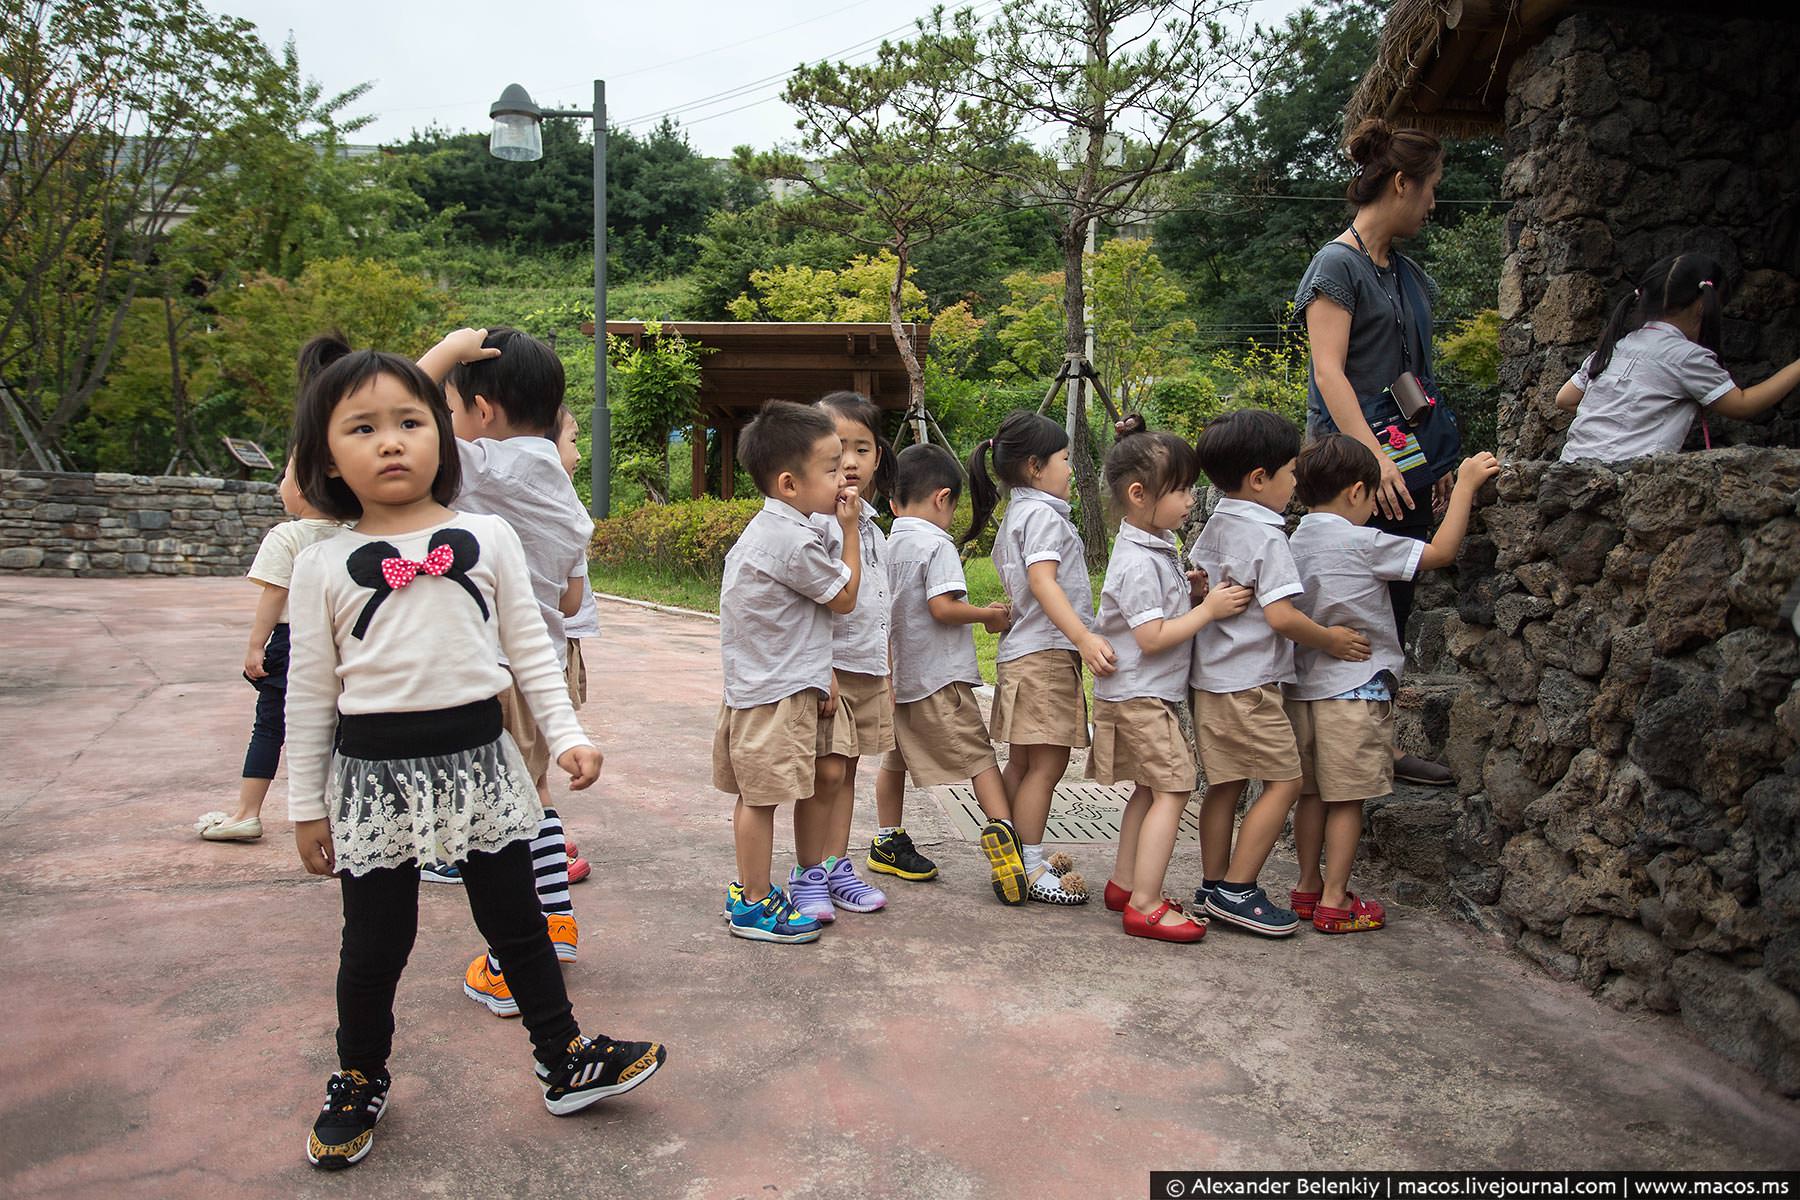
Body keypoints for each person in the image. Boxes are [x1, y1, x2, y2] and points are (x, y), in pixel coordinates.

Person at [282, 343, 664, 1169]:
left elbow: (531, 652)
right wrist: (304, 806)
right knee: (375, 941)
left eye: (411, 421)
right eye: (363, 427)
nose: (391, 441)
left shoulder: (485, 535)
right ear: (326, 458)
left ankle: (562, 1057)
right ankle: (358, 1075)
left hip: (481, 761)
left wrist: (568, 736)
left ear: (445, 439)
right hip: (371, 776)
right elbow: (309, 695)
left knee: (519, 922)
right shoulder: (318, 566)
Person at [415, 328, 592, 1002]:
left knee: (495, 825)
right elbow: (573, 594)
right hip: (542, 668)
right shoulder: (553, 480)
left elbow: (395, 404)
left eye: (455, 411)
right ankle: (555, 926)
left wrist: (448, 348)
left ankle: (515, 959)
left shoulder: (491, 467)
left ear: (482, 414)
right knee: (531, 803)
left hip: (492, 673)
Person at [1296, 117, 1457, 787]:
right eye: (1430, 189)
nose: (1433, 203)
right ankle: (1335, 746)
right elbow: (1330, 372)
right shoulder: (1338, 264)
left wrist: (1436, 466)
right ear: (1400, 183)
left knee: (1394, 605)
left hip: (1407, 459)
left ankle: (1377, 742)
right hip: (1354, 467)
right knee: (1347, 605)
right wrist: (1376, 460)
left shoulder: (1405, 271)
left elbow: (1416, 377)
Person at [1285, 436, 1498, 933]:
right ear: (1358, 492)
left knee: (1311, 795)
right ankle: (1337, 901)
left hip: (1300, 691)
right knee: (1347, 799)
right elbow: (1442, 551)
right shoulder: (1365, 541)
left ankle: (1307, 887)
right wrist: (1464, 483)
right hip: (1356, 690)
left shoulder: (1293, 542)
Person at [1187, 409, 1369, 937]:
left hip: (1213, 680)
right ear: (1260, 479)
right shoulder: (1268, 535)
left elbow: (1200, 580)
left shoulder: (1218, 520)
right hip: (1251, 685)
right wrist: (1331, 639)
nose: (1295, 484)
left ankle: (1212, 883)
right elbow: (1281, 615)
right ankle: (1239, 889)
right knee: (1286, 781)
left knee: (1224, 785)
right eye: (1290, 472)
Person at [1089, 417, 1252, 942]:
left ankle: (1124, 883)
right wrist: (1210, 611)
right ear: (1139, 495)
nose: (1190, 499)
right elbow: (1154, 636)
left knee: (1149, 787)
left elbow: (1155, 614)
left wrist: (1190, 592)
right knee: (1176, 786)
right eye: (1180, 489)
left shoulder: (1154, 546)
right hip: (1142, 694)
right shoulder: (1137, 560)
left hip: (1143, 692)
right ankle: (1146, 903)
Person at [716, 400, 863, 944]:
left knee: (760, 795)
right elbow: (844, 598)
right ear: (788, 484)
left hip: (772, 682)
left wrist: (819, 670)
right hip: (771, 693)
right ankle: (754, 904)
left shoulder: (781, 526)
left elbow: (797, 621)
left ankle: (750, 890)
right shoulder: (791, 538)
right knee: (760, 798)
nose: (843, 474)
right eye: (830, 468)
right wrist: (850, 530)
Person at [964, 410, 1110, 906]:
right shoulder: (1044, 515)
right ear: (1034, 467)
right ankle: (1026, 860)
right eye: (1065, 459)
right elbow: (1044, 581)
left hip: (1021, 654)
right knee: (1047, 765)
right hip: (1046, 653)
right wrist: (1085, 639)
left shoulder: (1017, 515)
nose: (1072, 469)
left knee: (1024, 762)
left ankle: (1009, 845)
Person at [874, 443, 1023, 901]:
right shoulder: (935, 544)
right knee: (978, 756)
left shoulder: (885, 542)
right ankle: (1005, 833)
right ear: (943, 499)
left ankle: (887, 839)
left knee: (893, 759)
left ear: (894, 502)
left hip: (894, 678)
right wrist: (988, 616)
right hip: (937, 677)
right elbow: (943, 607)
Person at [196, 457, 345, 842]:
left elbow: (275, 593)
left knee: (270, 728)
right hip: (341, 644)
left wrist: (254, 645)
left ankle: (247, 813)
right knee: (341, 731)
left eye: (285, 477)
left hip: (292, 642)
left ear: (301, 489)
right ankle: (346, 813)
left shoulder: (286, 536)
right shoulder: (352, 533)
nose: (281, 484)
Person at [800, 391, 897, 920]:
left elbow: (879, 605)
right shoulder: (816, 524)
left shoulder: (873, 526)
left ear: (878, 455)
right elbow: (814, 605)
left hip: (868, 671)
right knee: (826, 775)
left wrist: (886, 667)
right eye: (839, 451)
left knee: (850, 771)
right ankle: (807, 871)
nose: (851, 463)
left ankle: (836, 867)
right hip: (831, 672)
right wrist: (822, 670)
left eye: (862, 449)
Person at [1556, 252, 1800, 462]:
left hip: (1570, 470)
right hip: (1627, 478)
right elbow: (1742, 404)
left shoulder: (1615, 347)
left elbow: (1565, 398)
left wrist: (1623, 420)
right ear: (1702, 306)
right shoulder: (1687, 357)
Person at [553, 405, 597, 885]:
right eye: (572, 440)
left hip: (560, 638)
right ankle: (536, 841)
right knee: (527, 749)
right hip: (544, 639)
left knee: (535, 747)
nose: (578, 453)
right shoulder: (556, 502)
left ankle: (538, 832)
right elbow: (568, 597)